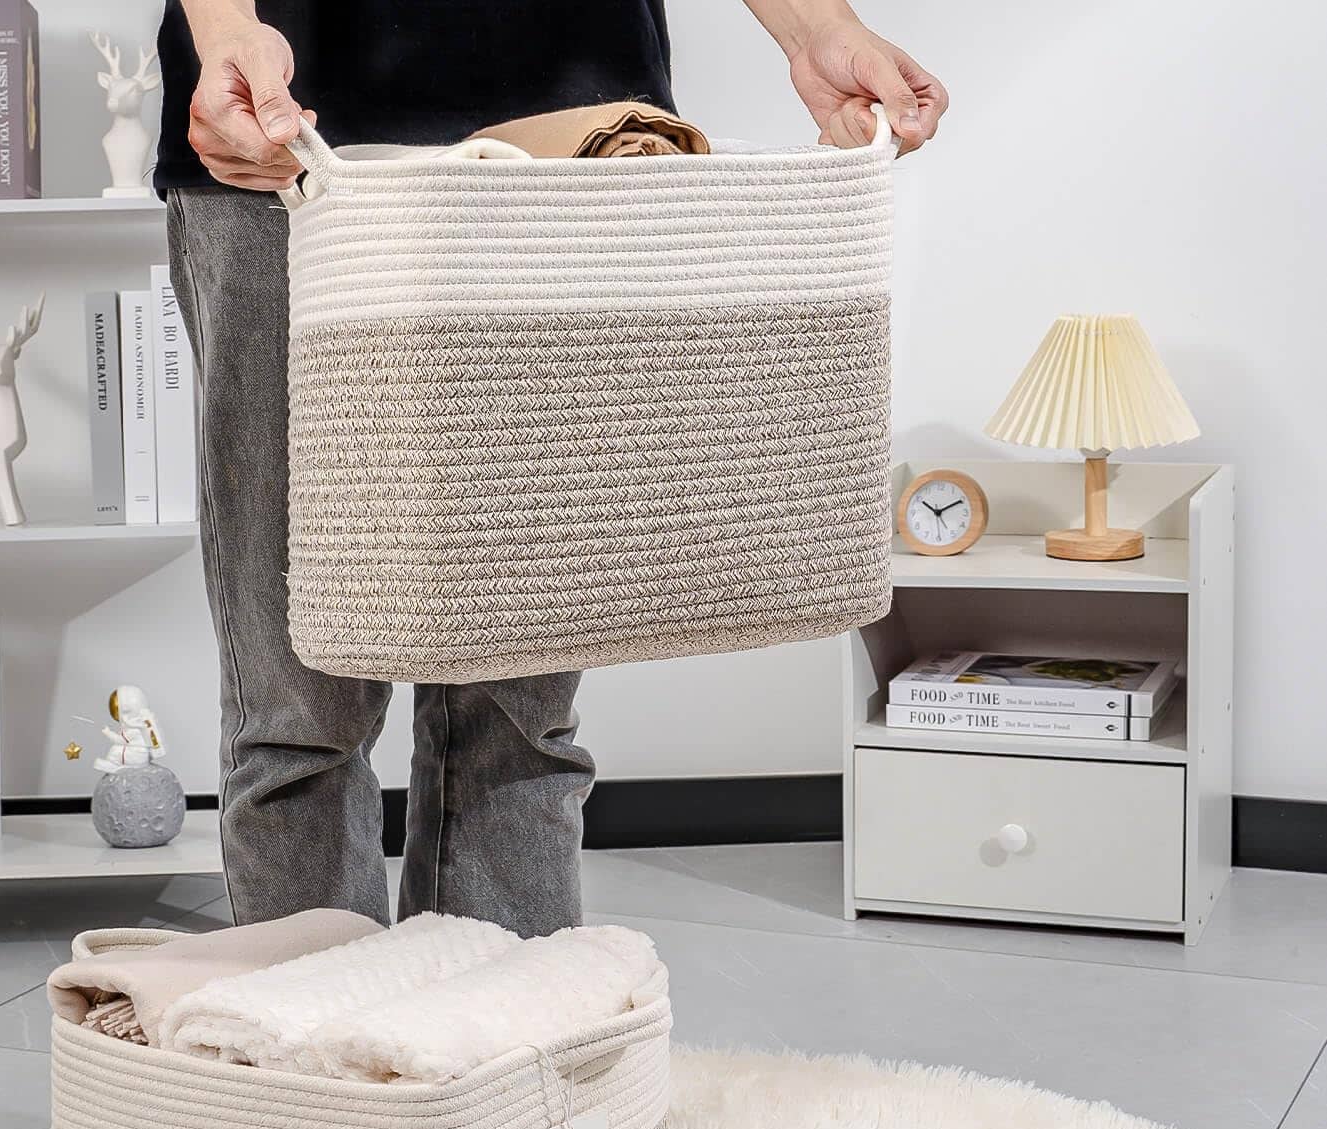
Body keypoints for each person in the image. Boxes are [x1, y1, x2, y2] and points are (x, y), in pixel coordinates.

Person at [159, 0, 946, 937]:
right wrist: (223, 30)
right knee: (301, 713)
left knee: (521, 714)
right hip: (288, 131)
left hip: (572, 141)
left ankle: (504, 1021)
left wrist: (817, 29)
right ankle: (316, 1028)